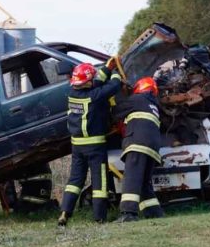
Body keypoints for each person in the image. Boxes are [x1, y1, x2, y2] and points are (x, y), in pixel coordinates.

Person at [58, 60, 121, 227]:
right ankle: (99, 217)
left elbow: (96, 82)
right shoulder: (94, 96)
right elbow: (114, 86)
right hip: (95, 146)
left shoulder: (72, 92)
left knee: (75, 180)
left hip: (77, 146)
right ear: (87, 82)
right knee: (99, 181)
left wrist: (106, 68)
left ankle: (65, 212)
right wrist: (115, 72)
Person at [113, 77, 164, 222]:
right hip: (153, 147)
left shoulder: (137, 99)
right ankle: (154, 212)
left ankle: (128, 213)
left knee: (132, 177)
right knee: (144, 182)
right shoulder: (153, 105)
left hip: (138, 143)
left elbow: (116, 111)